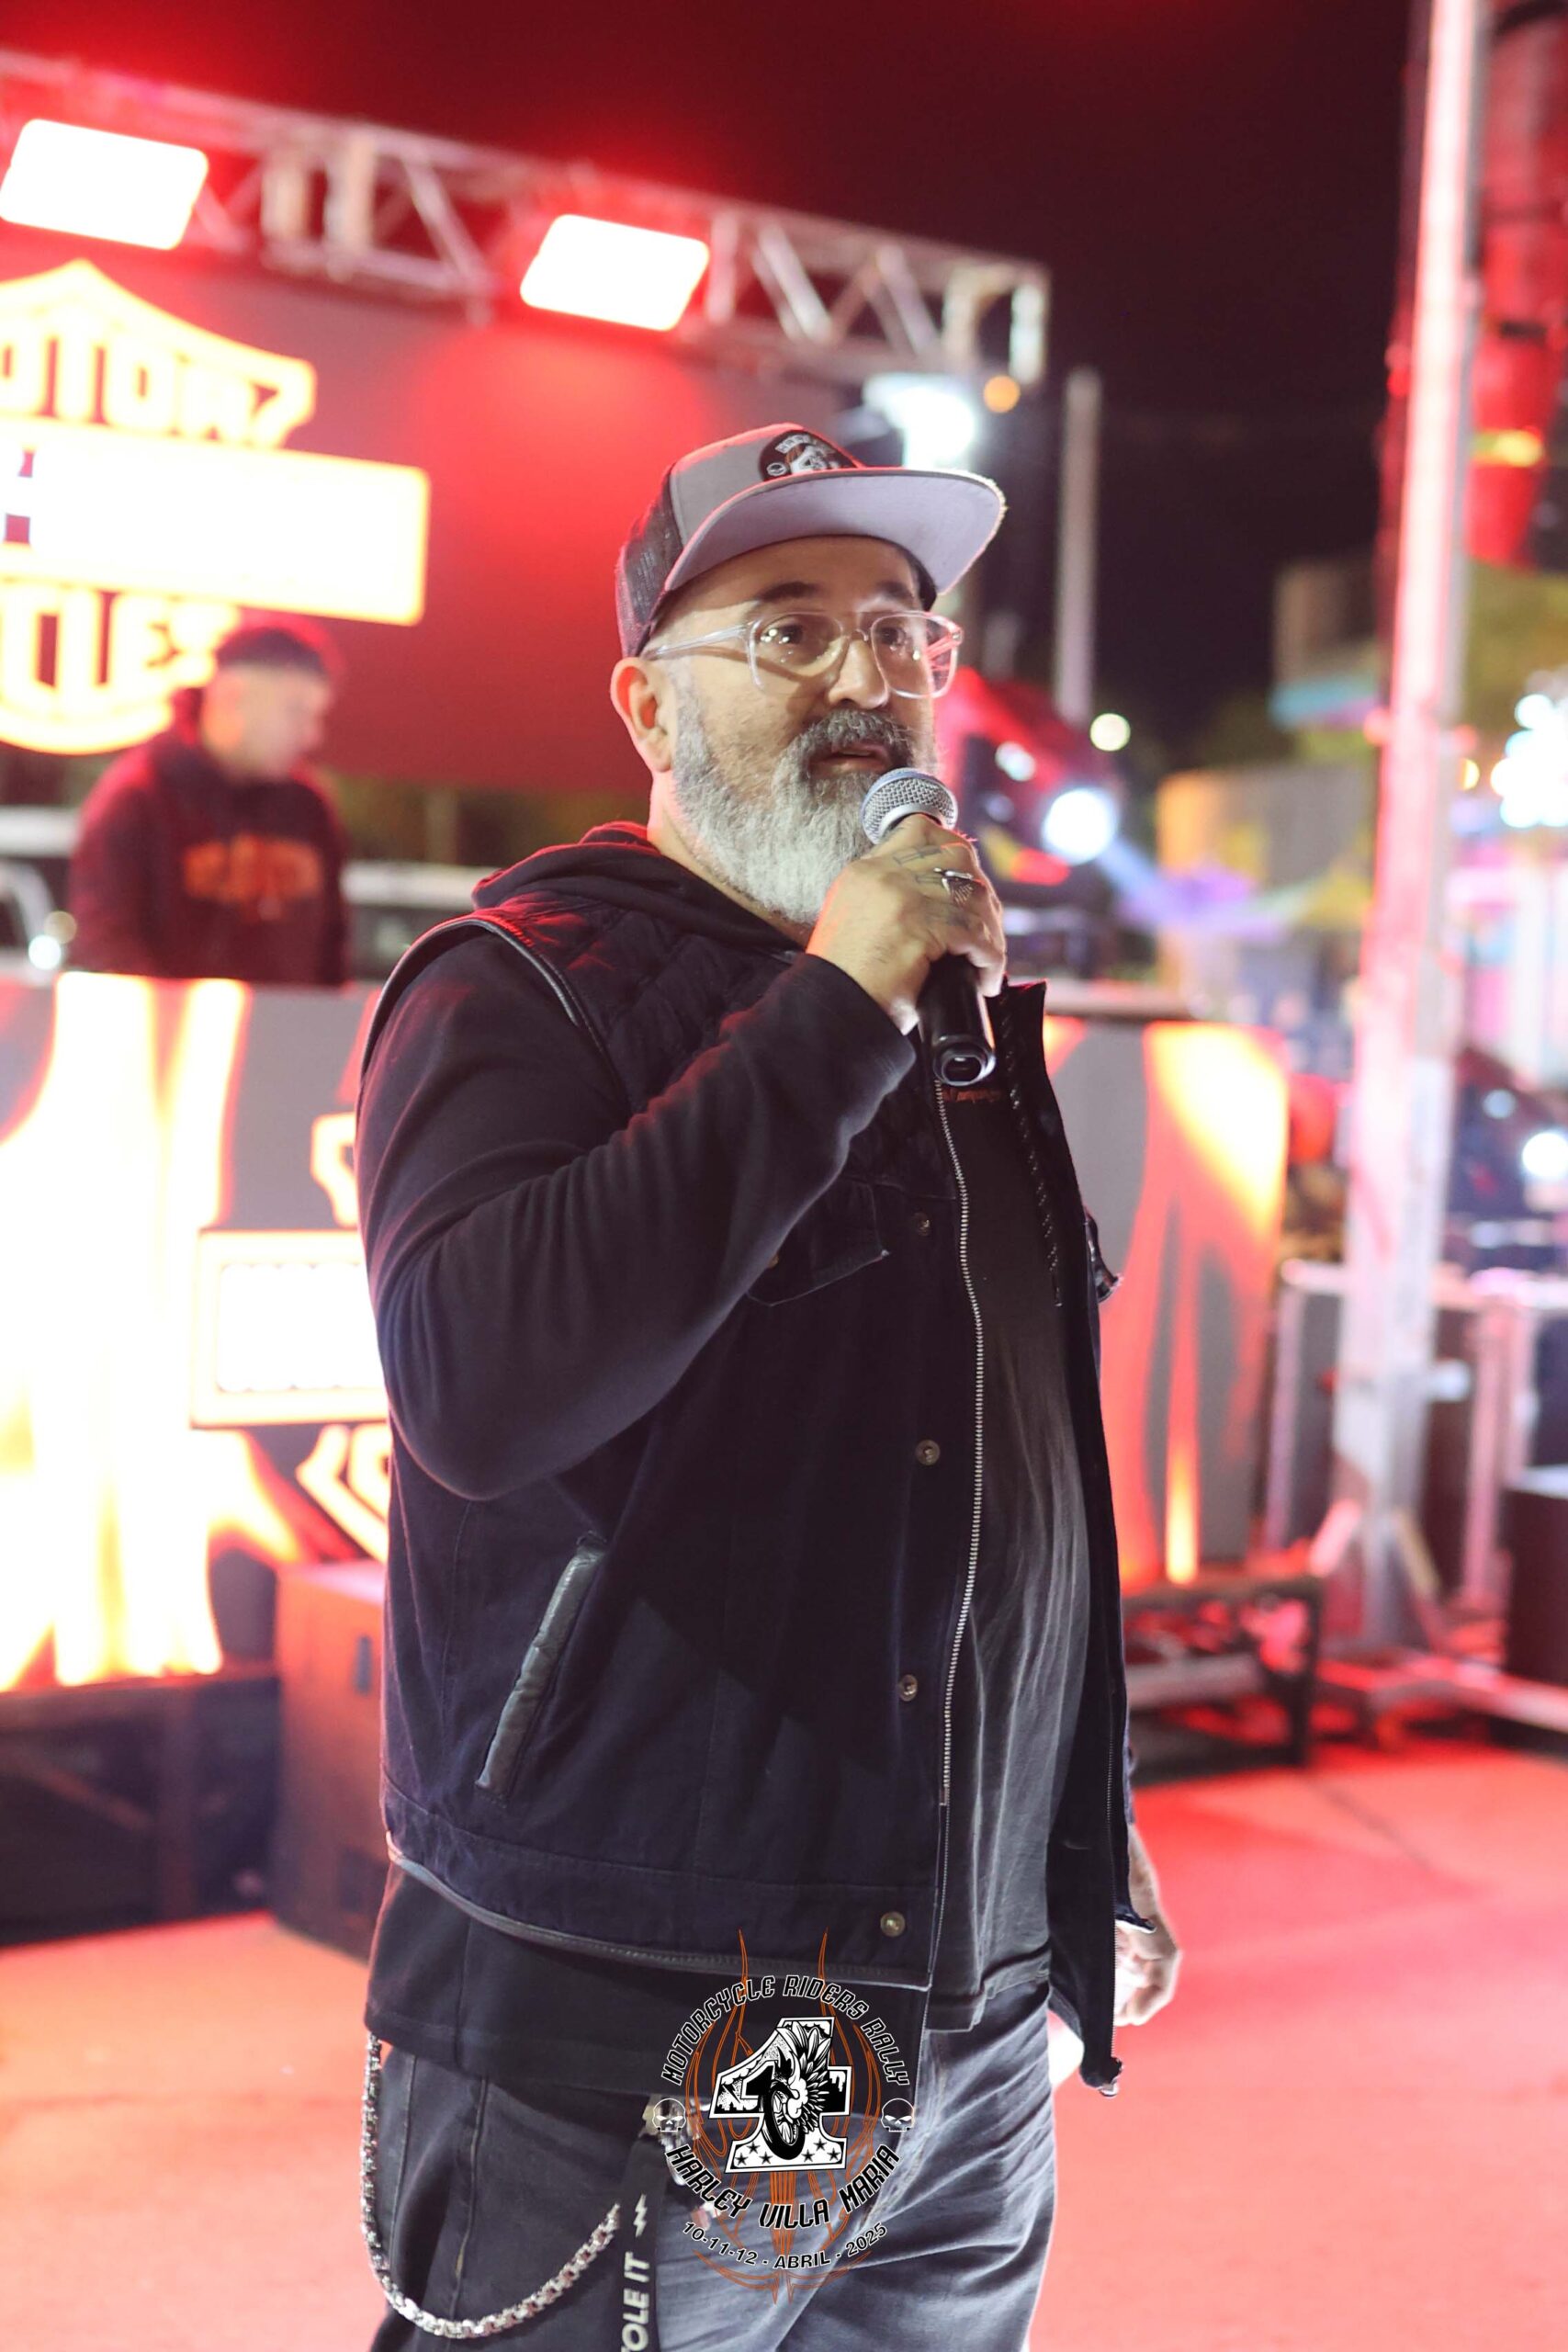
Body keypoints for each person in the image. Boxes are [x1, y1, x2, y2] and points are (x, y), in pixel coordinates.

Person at [355, 422, 1180, 2351]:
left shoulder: (948, 1025)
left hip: (962, 2009)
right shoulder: (515, 984)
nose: (860, 672)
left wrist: (1076, 1807)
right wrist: (833, 1002)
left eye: (897, 629)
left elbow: (1005, 1471)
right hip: (637, 1994)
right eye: (789, 627)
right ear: (648, 704)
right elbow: (480, 1388)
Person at [66, 619, 347, 985]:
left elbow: (332, 949)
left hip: (290, 1023)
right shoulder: (139, 798)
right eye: (295, 710)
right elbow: (105, 946)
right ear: (232, 696)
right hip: (165, 1022)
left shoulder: (309, 809)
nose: (311, 735)